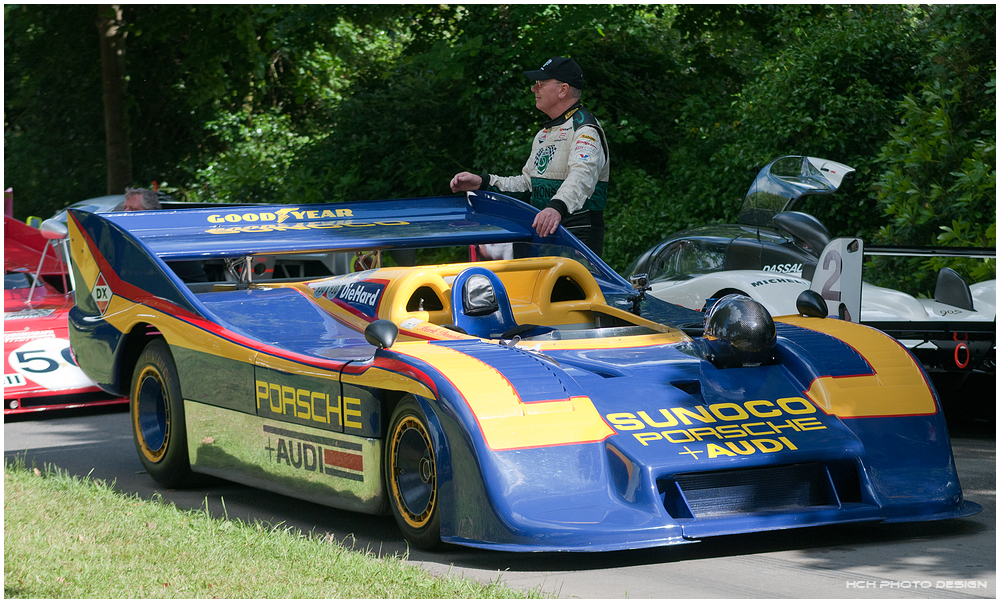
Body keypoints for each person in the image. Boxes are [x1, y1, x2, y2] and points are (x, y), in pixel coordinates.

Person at [450, 56, 610, 256]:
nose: (534, 89)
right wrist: (483, 182)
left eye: (541, 83)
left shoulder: (585, 129)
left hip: (577, 235)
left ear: (563, 90)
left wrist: (556, 208)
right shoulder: (544, 133)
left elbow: (582, 176)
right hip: (544, 233)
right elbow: (527, 185)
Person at [119, 187, 208, 283]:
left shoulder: (169, 242)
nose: (125, 213)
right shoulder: (121, 241)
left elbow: (199, 282)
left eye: (133, 209)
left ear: (150, 212)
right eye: (125, 208)